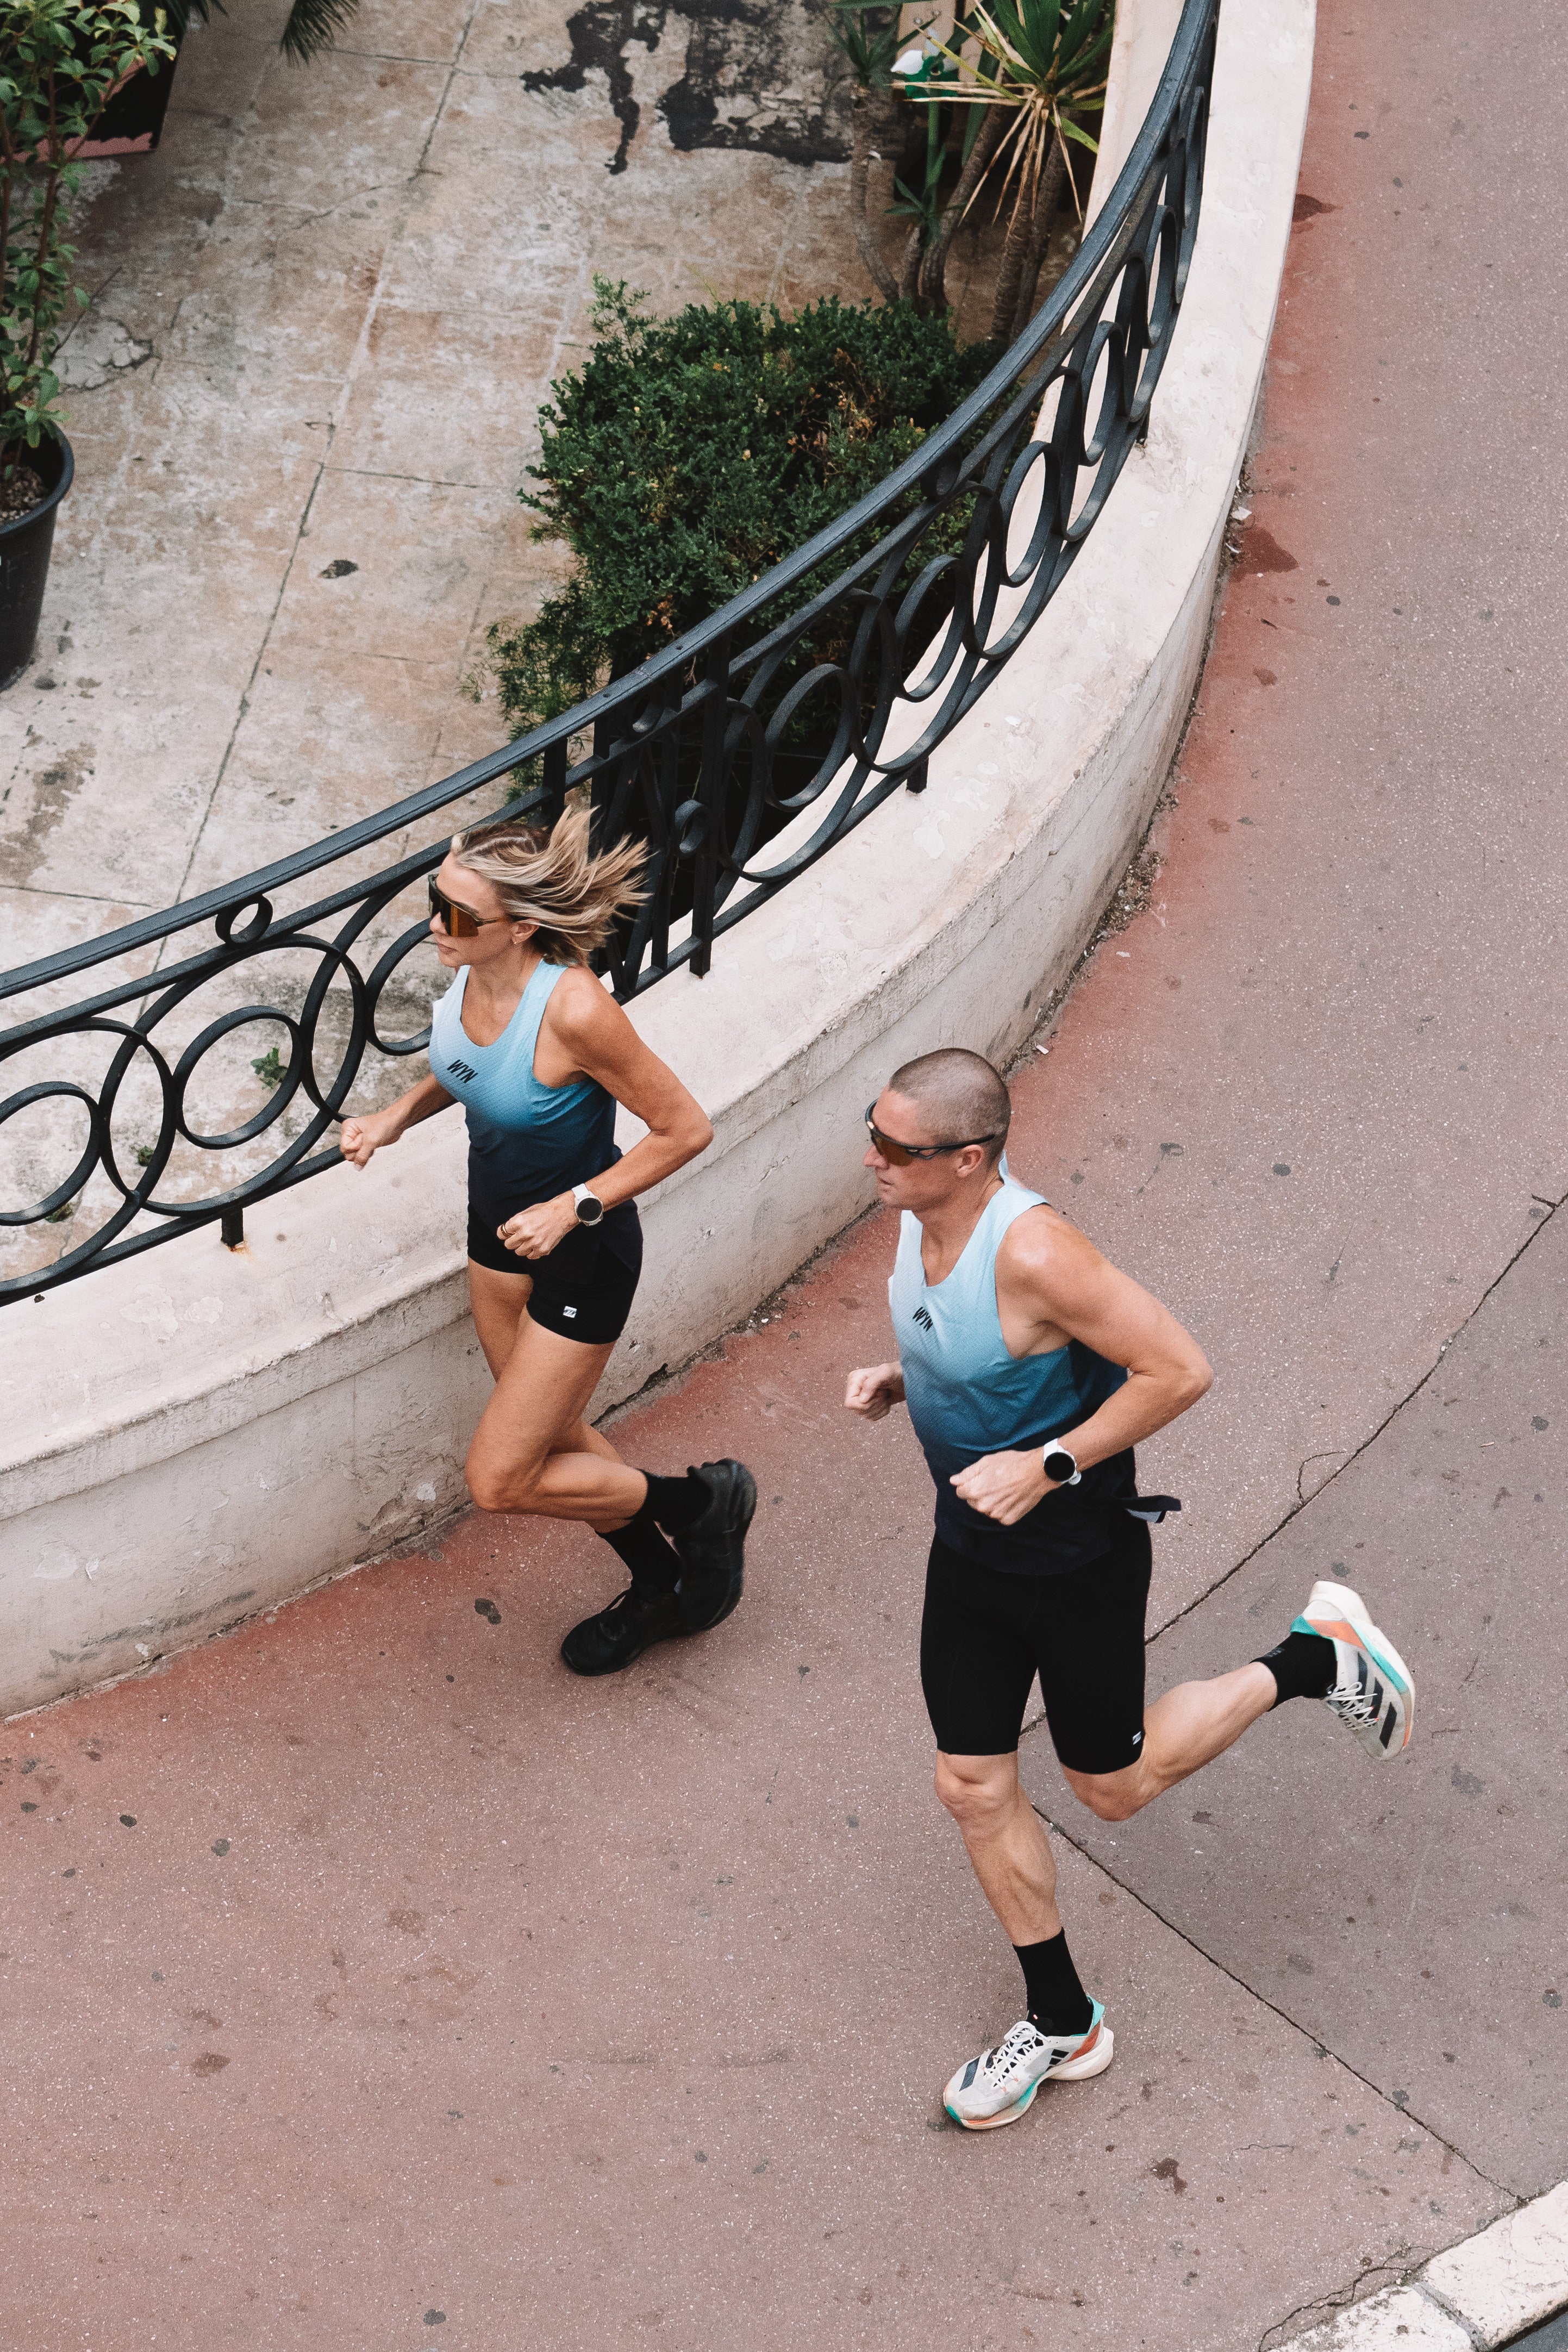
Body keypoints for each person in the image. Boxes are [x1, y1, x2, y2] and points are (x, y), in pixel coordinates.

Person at [844, 1047, 1414, 2133]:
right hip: (968, 1556)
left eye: (892, 1145)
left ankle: (1316, 1655)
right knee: (970, 1782)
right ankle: (1062, 2020)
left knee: (1111, 1787)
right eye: (868, 1131)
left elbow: (1179, 1369)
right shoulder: (923, 1217)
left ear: (968, 1159)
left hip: (1077, 1567)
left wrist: (1049, 1463)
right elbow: (974, 1342)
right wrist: (902, 1374)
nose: (869, 1157)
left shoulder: (1042, 1251)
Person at [340, 807, 755, 1675]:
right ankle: (662, 1587)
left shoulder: (575, 1010)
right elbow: (465, 1069)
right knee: (556, 1442)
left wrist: (577, 1207)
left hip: (581, 1250)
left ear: (522, 927)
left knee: (499, 1478)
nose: (433, 928)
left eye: (455, 915)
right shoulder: (466, 970)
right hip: (496, 1235)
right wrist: (394, 1116)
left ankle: (703, 1502)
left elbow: (683, 1129)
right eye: (433, 902)